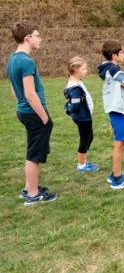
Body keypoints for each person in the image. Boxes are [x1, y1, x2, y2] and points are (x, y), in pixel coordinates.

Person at [7, 20, 58, 206]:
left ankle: (29, 188)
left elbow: (15, 91)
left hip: (23, 111)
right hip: (33, 113)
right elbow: (29, 93)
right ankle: (33, 194)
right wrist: (44, 116)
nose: (40, 39)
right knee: (34, 155)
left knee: (32, 151)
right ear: (27, 38)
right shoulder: (26, 61)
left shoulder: (12, 59)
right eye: (38, 36)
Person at [98, 39, 124, 189]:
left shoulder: (110, 69)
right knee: (119, 143)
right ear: (114, 55)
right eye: (122, 52)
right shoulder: (114, 70)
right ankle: (117, 179)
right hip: (118, 109)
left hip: (120, 108)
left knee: (122, 142)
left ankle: (115, 172)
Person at [64, 56, 98, 172]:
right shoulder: (75, 88)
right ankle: (82, 165)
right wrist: (68, 109)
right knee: (85, 139)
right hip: (83, 118)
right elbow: (74, 106)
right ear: (75, 70)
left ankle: (83, 160)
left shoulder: (77, 82)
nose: (86, 71)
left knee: (89, 137)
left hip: (85, 116)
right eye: (84, 69)